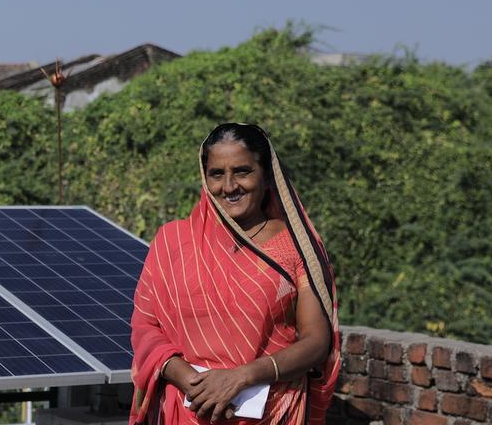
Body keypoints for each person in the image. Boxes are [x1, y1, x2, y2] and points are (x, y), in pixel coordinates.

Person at [130, 123, 340, 424]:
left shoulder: (295, 249)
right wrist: (194, 385)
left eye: (242, 171)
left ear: (266, 175)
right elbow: (145, 326)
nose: (229, 187)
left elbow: (316, 342)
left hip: (272, 413)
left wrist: (241, 378)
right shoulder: (172, 241)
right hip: (188, 410)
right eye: (217, 174)